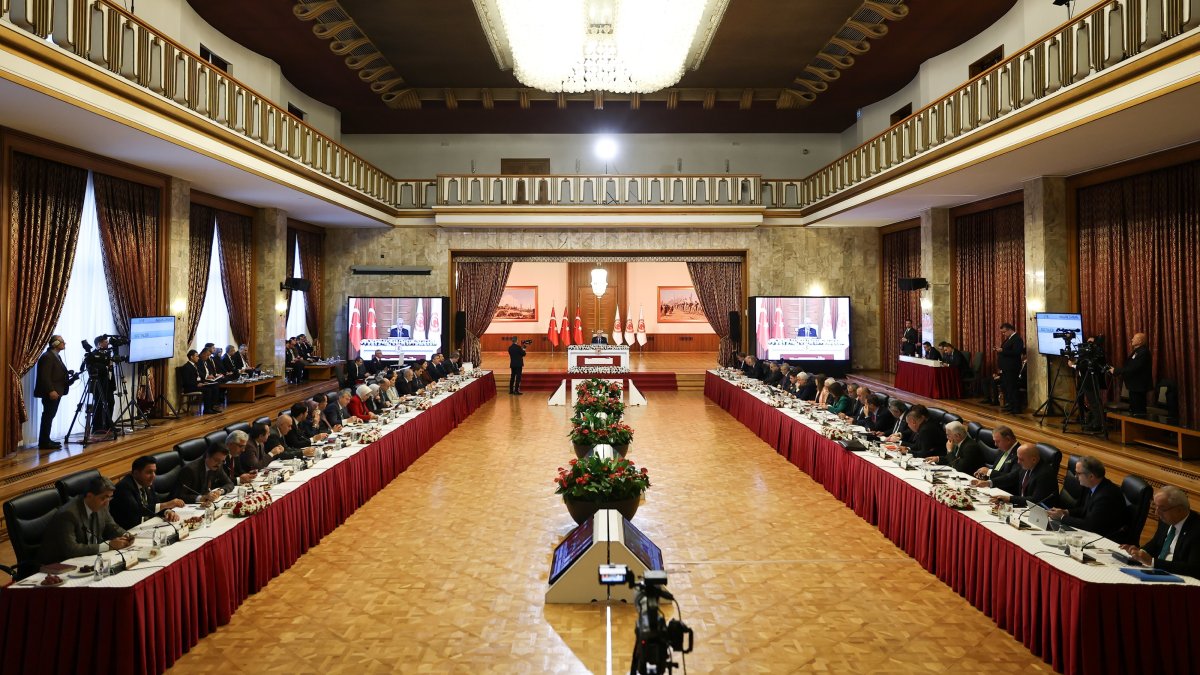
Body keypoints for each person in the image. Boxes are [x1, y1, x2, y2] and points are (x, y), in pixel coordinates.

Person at [39, 476, 133, 564]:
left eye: (109, 497)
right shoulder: (68, 514)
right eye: (104, 498)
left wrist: (126, 536)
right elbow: (72, 550)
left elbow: (111, 526)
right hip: (59, 565)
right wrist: (109, 545)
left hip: (89, 559)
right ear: (89, 496)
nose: (107, 503)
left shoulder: (102, 505)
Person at [1119, 486, 1200, 577]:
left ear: (1179, 510)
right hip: (1160, 572)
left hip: (1182, 579)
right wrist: (1140, 553)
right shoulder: (1165, 520)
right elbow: (1156, 542)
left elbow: (1194, 569)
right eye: (1155, 507)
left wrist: (1152, 562)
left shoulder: (1197, 530)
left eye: (1162, 509)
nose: (1156, 513)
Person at [1047, 457, 1125, 539]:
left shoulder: (1106, 496)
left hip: (1105, 540)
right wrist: (1066, 512)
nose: (1075, 476)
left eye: (1078, 473)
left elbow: (1090, 525)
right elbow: (1086, 509)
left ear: (1091, 476)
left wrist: (1062, 517)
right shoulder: (1094, 486)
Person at [110, 456, 185, 530]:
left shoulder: (147, 482)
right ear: (136, 473)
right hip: (130, 531)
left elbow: (155, 503)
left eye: (154, 472)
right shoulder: (124, 487)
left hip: (148, 526)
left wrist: (167, 511)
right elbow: (137, 510)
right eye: (149, 472)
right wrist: (166, 504)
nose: (153, 476)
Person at [974, 443, 1056, 507]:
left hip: (1042, 514)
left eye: (1021, 459)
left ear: (1034, 459)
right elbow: (1010, 477)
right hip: (1024, 508)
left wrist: (1010, 499)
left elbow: (1035, 500)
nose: (1018, 462)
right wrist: (988, 483)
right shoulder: (1027, 464)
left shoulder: (1045, 474)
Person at [33, 334, 71, 449]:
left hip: (57, 391)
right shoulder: (48, 356)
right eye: (62, 341)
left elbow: (55, 374)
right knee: (48, 416)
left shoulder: (56, 356)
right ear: (55, 344)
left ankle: (46, 439)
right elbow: (44, 376)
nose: (65, 343)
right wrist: (51, 390)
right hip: (51, 393)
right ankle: (44, 442)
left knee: (50, 416)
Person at [1109, 332, 1152, 416]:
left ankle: (1139, 428)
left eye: (1134, 338)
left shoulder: (1143, 352)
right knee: (1134, 410)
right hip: (1134, 385)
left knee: (1138, 412)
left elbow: (1133, 368)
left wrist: (1116, 371)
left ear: (1140, 341)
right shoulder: (1138, 351)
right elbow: (1130, 366)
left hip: (1139, 386)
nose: (1132, 339)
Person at [995, 322, 1025, 413]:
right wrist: (1000, 350)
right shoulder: (1008, 339)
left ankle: (1016, 408)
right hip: (1006, 368)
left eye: (1004, 332)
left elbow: (1016, 352)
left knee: (1013, 387)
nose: (1003, 334)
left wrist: (1002, 350)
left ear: (1009, 330)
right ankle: (1010, 405)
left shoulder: (1017, 339)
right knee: (1007, 387)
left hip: (1012, 368)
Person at [181, 349, 222, 414]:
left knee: (213, 386)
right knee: (208, 390)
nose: (198, 357)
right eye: (196, 356)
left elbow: (198, 377)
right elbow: (186, 382)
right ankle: (207, 410)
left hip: (197, 384)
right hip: (190, 387)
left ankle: (212, 407)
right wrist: (196, 384)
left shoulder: (194, 365)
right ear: (191, 357)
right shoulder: (186, 367)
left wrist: (203, 382)